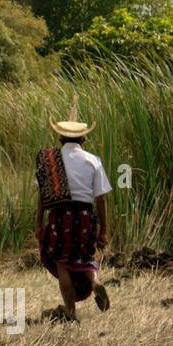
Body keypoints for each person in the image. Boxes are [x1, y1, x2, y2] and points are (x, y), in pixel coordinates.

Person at [35, 97, 111, 321]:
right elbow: (101, 199)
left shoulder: (50, 162)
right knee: (85, 258)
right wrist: (103, 230)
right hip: (86, 217)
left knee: (62, 262)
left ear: (60, 137)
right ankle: (94, 281)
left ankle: (70, 311)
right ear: (83, 138)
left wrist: (39, 224)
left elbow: (42, 196)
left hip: (60, 217)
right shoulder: (93, 160)